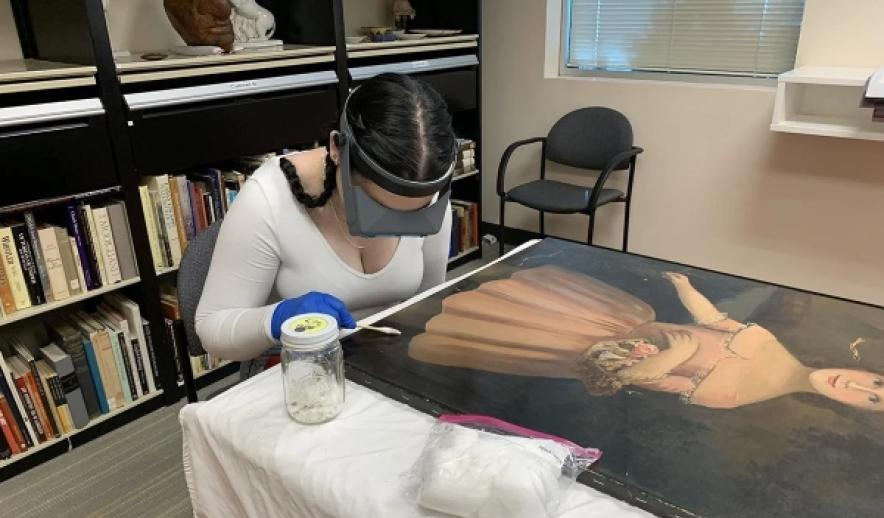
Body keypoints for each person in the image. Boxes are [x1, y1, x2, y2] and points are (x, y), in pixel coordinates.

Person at [196, 73, 456, 368]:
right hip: (300, 368)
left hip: (390, 359)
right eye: (378, 208)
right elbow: (212, 330)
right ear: (336, 149)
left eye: (413, 215)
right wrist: (276, 318)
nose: (396, 225)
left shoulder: (426, 189)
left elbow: (428, 302)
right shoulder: (268, 198)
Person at [408, 266, 884, 411]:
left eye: (870, 402)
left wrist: (671, 355)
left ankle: (433, 319)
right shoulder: (768, 340)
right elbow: (714, 318)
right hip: (614, 317)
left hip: (594, 346)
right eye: (876, 384)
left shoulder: (737, 395)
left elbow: (638, 379)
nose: (856, 387)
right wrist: (685, 288)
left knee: (508, 326)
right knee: (528, 291)